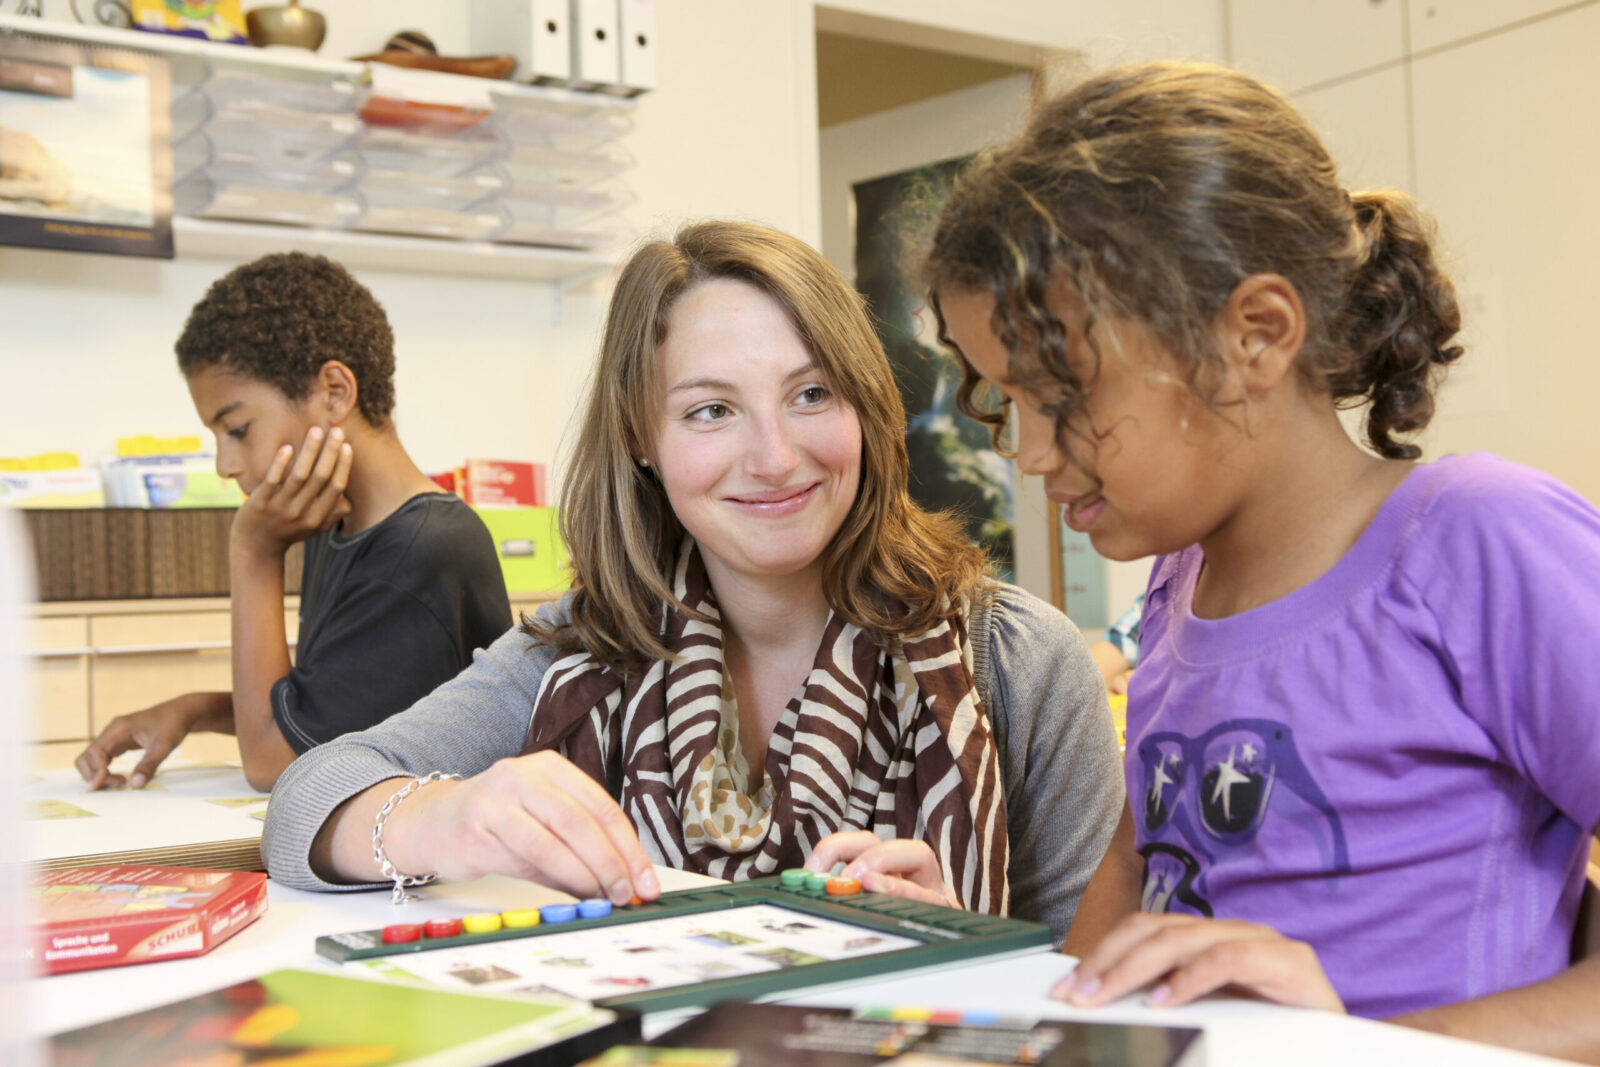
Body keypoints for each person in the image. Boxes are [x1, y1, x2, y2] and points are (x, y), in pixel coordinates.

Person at [921, 60, 1600, 1061]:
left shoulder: (1478, 539)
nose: (1023, 450)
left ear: (1255, 335)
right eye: (1003, 402)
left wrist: (1360, 1046)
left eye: (1059, 395)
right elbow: (1132, 856)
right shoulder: (1175, 580)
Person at [261, 222, 1124, 942]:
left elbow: (1103, 990)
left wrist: (966, 947)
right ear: (642, 434)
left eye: (813, 393)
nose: (777, 456)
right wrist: (442, 816)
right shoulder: (577, 653)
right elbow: (304, 801)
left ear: (867, 404)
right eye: (711, 410)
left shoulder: (1017, 659)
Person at [75, 253, 512, 794]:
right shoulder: (341, 530)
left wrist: (253, 552)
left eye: (236, 429)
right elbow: (332, 711)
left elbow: (275, 764)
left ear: (334, 392)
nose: (224, 465)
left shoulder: (419, 552)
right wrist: (194, 710)